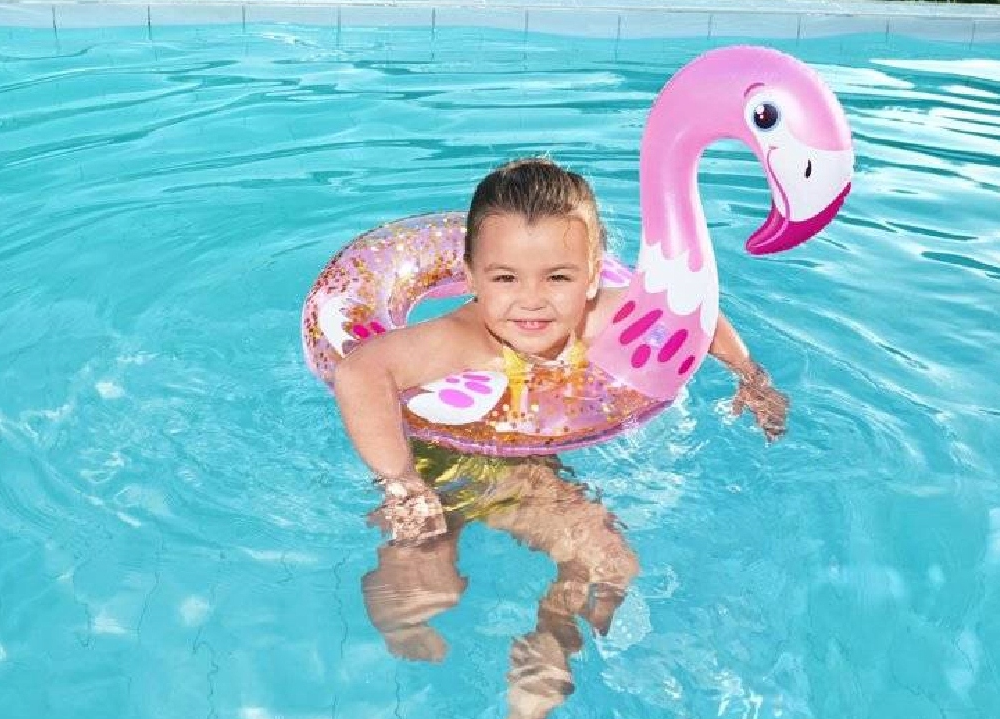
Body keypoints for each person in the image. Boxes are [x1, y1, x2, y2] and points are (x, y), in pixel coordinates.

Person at [333, 157, 789, 717]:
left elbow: (694, 317)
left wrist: (751, 378)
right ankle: (418, 638)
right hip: (445, 459)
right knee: (430, 580)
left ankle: (548, 638)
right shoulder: (457, 340)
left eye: (557, 277)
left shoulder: (602, 315)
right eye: (505, 278)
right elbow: (358, 372)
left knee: (606, 563)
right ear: (470, 276)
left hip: (525, 465)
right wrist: (401, 483)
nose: (531, 300)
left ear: (593, 276)